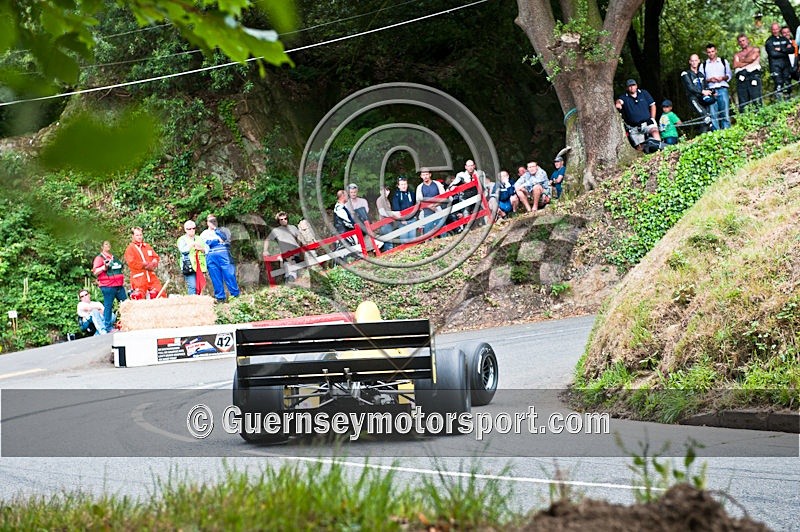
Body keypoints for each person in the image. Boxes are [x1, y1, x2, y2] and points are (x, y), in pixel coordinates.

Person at [201, 215, 240, 302]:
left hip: (224, 255)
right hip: (211, 257)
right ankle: (220, 298)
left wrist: (216, 230)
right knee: (216, 278)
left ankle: (235, 296)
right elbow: (208, 243)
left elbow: (225, 238)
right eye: (210, 221)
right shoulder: (204, 233)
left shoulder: (224, 230)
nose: (212, 223)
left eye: (214, 221)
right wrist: (217, 241)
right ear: (207, 223)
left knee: (229, 275)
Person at [615, 79, 661, 152]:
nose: (632, 87)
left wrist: (653, 118)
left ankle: (660, 148)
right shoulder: (624, 97)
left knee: (654, 131)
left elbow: (652, 105)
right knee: (639, 147)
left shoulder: (644, 93)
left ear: (636, 86)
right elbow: (619, 101)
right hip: (634, 127)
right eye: (629, 86)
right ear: (627, 88)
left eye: (633, 85)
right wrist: (618, 104)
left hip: (647, 122)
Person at [91, 240, 126, 332]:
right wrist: (104, 267)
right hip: (107, 286)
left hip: (119, 285)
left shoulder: (114, 257)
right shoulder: (99, 258)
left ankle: (127, 323)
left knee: (125, 304)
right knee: (108, 306)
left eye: (109, 244)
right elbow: (95, 272)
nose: (108, 246)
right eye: (106, 244)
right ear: (102, 246)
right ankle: (108, 327)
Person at [124, 226, 164, 299]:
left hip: (150, 276)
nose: (139, 237)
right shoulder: (130, 249)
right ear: (132, 236)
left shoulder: (147, 246)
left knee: (160, 293)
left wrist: (154, 262)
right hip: (139, 277)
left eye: (140, 235)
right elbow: (132, 263)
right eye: (137, 235)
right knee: (139, 297)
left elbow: (155, 257)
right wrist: (144, 265)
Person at [700, 43, 732, 130]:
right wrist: (710, 80)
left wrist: (722, 78)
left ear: (716, 51)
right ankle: (716, 132)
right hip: (710, 91)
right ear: (707, 53)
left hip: (722, 88)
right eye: (709, 52)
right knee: (713, 114)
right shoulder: (703, 65)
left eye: (712, 51)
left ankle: (727, 131)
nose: (711, 53)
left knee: (725, 112)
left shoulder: (723, 61)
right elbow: (701, 79)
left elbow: (729, 75)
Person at [681, 54, 715, 133]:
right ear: (690, 62)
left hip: (703, 99)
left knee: (706, 118)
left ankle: (703, 138)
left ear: (699, 61)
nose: (694, 62)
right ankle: (714, 131)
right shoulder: (685, 73)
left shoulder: (701, 74)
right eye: (692, 61)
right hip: (693, 99)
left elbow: (705, 87)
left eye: (696, 60)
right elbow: (690, 87)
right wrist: (702, 92)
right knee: (705, 116)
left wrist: (711, 92)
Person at [265, 211, 303, 283]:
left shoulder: (293, 227)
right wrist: (265, 250)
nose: (284, 221)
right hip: (286, 254)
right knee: (290, 269)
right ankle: (289, 281)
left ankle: (290, 282)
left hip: (296, 252)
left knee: (293, 270)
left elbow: (300, 237)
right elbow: (267, 240)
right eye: (281, 219)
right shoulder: (276, 230)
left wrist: (299, 246)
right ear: (278, 221)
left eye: (285, 218)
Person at [176, 220, 208, 295]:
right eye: (189, 229)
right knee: (192, 286)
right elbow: (182, 250)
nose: (192, 230)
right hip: (188, 266)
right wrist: (191, 245)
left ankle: (200, 303)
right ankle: (192, 302)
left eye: (193, 228)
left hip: (200, 266)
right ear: (185, 229)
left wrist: (200, 248)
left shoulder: (200, 238)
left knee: (201, 286)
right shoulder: (182, 239)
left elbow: (207, 249)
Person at [733, 34, 763, 113]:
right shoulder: (737, 54)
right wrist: (748, 62)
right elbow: (735, 65)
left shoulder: (755, 49)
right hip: (742, 79)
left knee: (756, 100)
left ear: (747, 40)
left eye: (743, 40)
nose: (742, 43)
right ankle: (745, 120)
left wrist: (741, 61)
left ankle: (760, 118)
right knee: (743, 102)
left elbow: (753, 58)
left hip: (754, 76)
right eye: (740, 41)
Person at [765, 22, 793, 100]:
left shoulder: (784, 39)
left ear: (779, 29)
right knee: (779, 83)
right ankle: (780, 103)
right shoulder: (769, 41)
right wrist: (785, 50)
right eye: (773, 29)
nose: (775, 31)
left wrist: (781, 49)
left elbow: (792, 50)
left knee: (787, 83)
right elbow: (773, 54)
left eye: (776, 29)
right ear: (771, 30)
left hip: (786, 65)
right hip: (775, 66)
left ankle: (788, 101)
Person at [415, 167, 446, 236]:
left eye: (426, 174)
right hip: (427, 212)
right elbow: (419, 201)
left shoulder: (437, 184)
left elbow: (444, 196)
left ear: (430, 175)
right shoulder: (420, 187)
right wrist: (429, 206)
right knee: (428, 233)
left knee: (442, 230)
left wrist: (435, 205)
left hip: (439, 209)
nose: (425, 176)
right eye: (423, 175)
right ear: (421, 176)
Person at [391, 176, 416, 244]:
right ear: (398, 186)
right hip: (403, 221)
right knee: (404, 240)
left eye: (405, 184)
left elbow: (415, 205)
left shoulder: (411, 194)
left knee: (413, 239)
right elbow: (396, 209)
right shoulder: (396, 196)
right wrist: (402, 219)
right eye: (402, 184)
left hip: (412, 219)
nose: (404, 186)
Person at [375, 185, 396, 250]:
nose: (386, 192)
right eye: (384, 191)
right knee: (389, 243)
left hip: (389, 223)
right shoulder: (380, 200)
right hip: (384, 223)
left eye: (387, 190)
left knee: (390, 240)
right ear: (381, 192)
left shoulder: (386, 200)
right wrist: (393, 214)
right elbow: (382, 212)